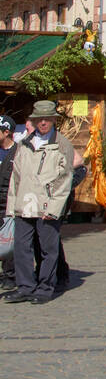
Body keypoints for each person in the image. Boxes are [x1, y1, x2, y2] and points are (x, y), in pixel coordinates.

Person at [3, 100, 74, 305]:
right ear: (34, 121)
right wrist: (12, 206)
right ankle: (25, 286)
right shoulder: (24, 143)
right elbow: (16, 177)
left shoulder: (61, 144)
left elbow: (65, 179)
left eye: (47, 118)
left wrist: (53, 208)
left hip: (47, 205)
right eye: (39, 119)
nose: (43, 122)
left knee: (47, 249)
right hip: (24, 204)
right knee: (21, 248)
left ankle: (45, 287)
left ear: (53, 120)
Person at [0, 115, 19, 289]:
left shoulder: (18, 152)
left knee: (9, 240)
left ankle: (10, 275)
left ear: (7, 132)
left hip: (9, 201)